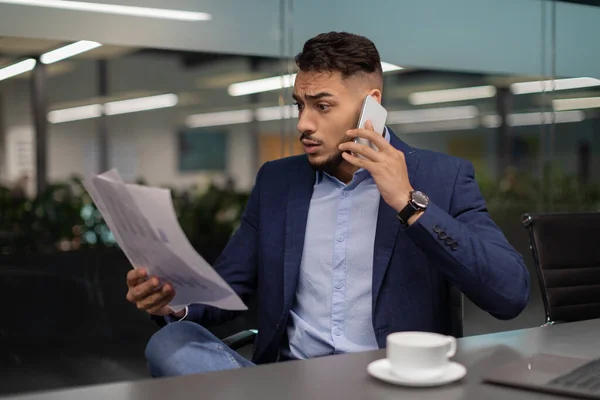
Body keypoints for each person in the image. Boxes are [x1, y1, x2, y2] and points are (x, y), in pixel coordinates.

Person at [127, 32, 530, 377]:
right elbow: (229, 288)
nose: (303, 123)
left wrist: (409, 203)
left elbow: (510, 295)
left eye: (322, 106)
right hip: (288, 381)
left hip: (392, 382)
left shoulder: (441, 177)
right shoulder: (277, 182)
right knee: (172, 341)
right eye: (300, 105)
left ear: (370, 104)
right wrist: (174, 301)